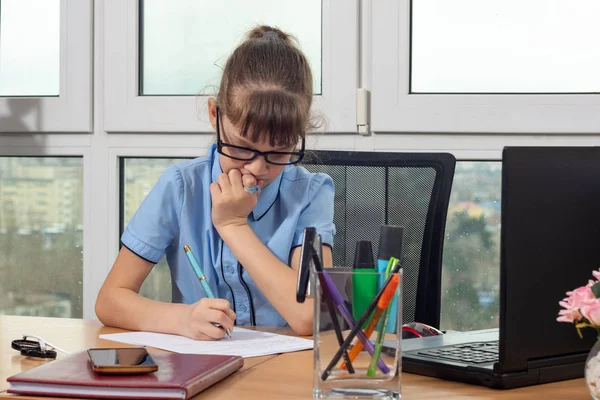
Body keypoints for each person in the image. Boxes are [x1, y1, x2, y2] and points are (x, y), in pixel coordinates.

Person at [95, 25, 335, 340]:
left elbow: (309, 315)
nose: (257, 167)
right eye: (241, 147)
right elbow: (110, 299)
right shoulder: (181, 187)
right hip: (202, 366)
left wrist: (234, 226)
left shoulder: (311, 194)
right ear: (214, 115)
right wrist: (181, 319)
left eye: (279, 151)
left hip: (285, 372)